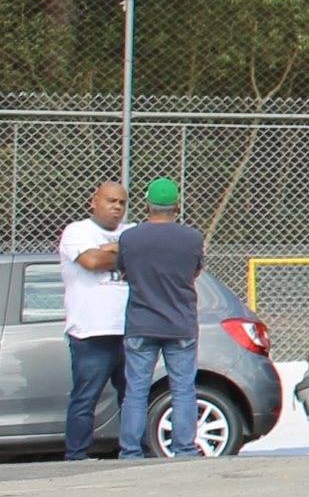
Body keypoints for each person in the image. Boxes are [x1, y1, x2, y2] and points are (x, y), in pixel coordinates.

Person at [114, 178, 205, 459]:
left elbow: (123, 271)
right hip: (181, 324)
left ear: (146, 205)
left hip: (142, 323)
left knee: (136, 390)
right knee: (183, 389)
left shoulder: (129, 237)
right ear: (177, 205)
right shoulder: (192, 237)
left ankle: (130, 451)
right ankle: (185, 448)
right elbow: (195, 272)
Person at [58, 179, 129, 462]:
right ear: (94, 202)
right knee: (86, 398)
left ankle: (136, 453)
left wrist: (111, 250)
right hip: (91, 332)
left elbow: (142, 258)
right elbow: (91, 262)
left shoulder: (132, 232)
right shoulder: (77, 231)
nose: (117, 207)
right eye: (111, 201)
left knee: (133, 397)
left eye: (122, 203)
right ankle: (76, 456)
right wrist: (123, 253)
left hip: (129, 330)